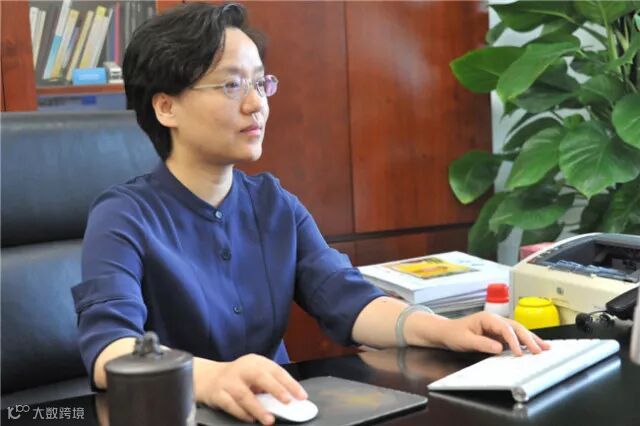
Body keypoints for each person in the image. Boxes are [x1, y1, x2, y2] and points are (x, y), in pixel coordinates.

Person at [71, 3, 549, 425]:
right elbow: (110, 349)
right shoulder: (124, 216)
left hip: (277, 412)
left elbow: (348, 299)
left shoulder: (273, 203)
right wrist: (213, 378)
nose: (257, 104)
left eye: (260, 82)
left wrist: (446, 330)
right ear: (166, 107)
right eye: (232, 84)